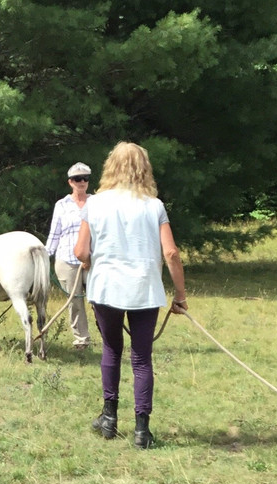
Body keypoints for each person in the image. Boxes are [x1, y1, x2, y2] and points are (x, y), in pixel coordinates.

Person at [73, 142, 187, 449]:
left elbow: (80, 251)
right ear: (144, 168)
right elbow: (171, 253)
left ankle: (109, 418)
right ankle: (141, 430)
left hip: (106, 288)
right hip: (144, 290)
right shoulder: (154, 206)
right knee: (141, 359)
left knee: (111, 350)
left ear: (111, 167)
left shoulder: (94, 204)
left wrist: (90, 260)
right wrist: (180, 294)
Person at [45, 161, 93, 349]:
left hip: (93, 260)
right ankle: (81, 340)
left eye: (85, 178)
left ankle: (109, 337)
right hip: (67, 261)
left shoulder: (97, 202)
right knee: (75, 301)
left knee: (100, 299)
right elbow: (54, 234)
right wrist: (44, 257)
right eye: (77, 179)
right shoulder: (62, 205)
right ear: (70, 182)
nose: (82, 182)